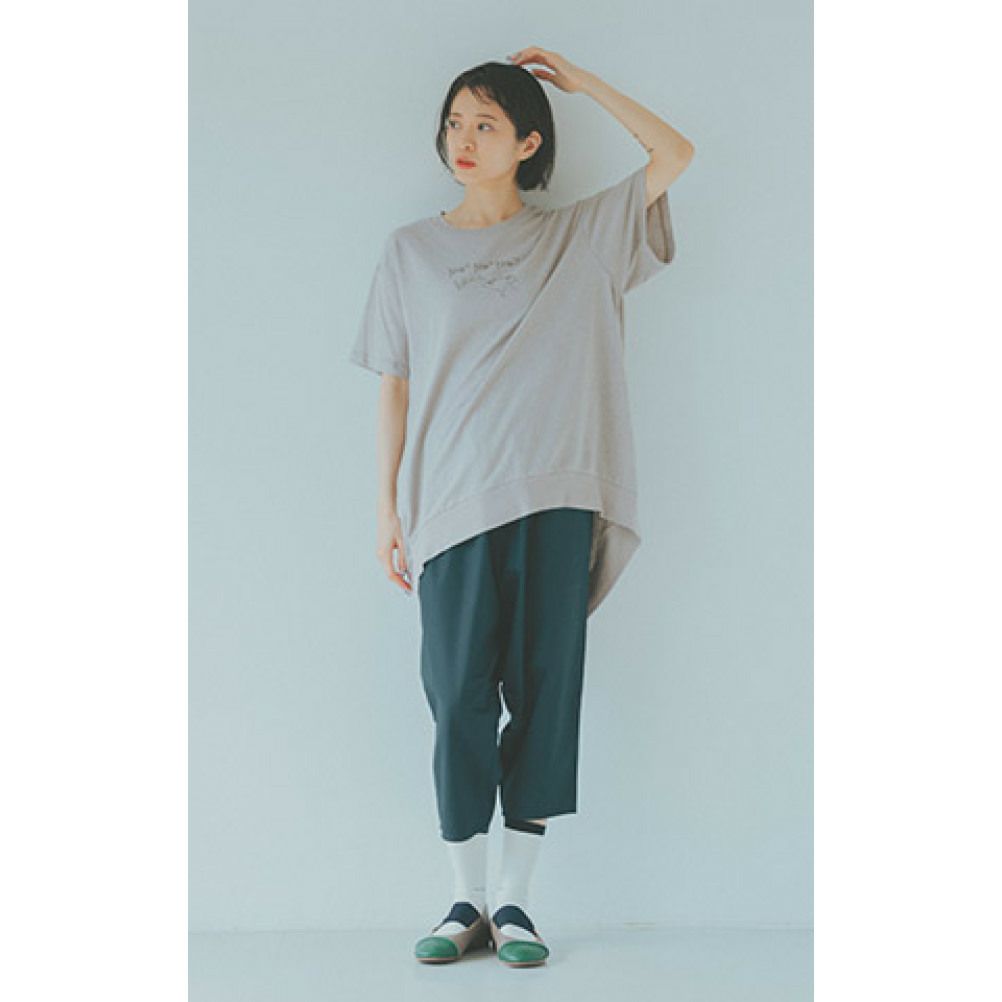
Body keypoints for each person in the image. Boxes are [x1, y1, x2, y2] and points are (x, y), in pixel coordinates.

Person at [348, 48, 695, 967]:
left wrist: (584, 82)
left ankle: (515, 903)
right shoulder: (411, 252)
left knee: (544, 696)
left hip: (557, 497)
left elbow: (675, 154)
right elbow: (394, 386)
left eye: (486, 124)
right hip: (451, 506)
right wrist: (385, 509)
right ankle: (462, 897)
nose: (463, 139)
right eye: (455, 122)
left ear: (529, 142)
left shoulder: (581, 236)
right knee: (456, 698)